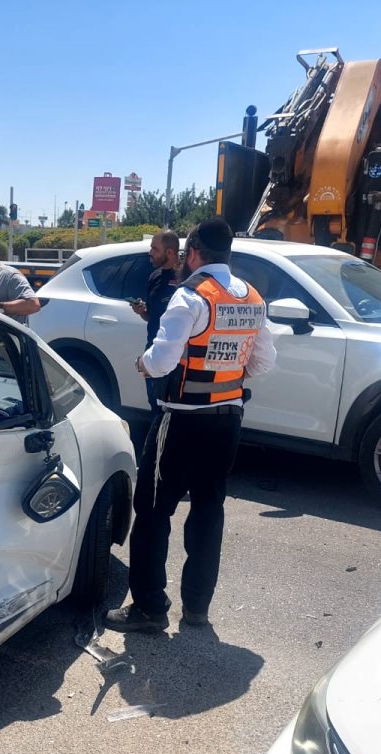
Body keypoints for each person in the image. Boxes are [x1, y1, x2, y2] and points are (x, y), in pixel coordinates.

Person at [106, 217, 279, 633]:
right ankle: (197, 608)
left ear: (194, 254)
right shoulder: (252, 298)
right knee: (207, 508)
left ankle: (149, 607)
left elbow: (162, 360)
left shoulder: (189, 297)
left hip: (182, 420)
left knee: (150, 511)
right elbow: (264, 361)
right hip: (228, 419)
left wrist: (143, 364)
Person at [130, 229, 181, 411]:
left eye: (155, 248)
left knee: (171, 410)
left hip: (176, 358)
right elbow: (152, 316)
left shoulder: (185, 280)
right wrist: (142, 311)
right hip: (152, 351)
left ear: (170, 252)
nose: (150, 252)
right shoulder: (154, 276)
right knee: (155, 405)